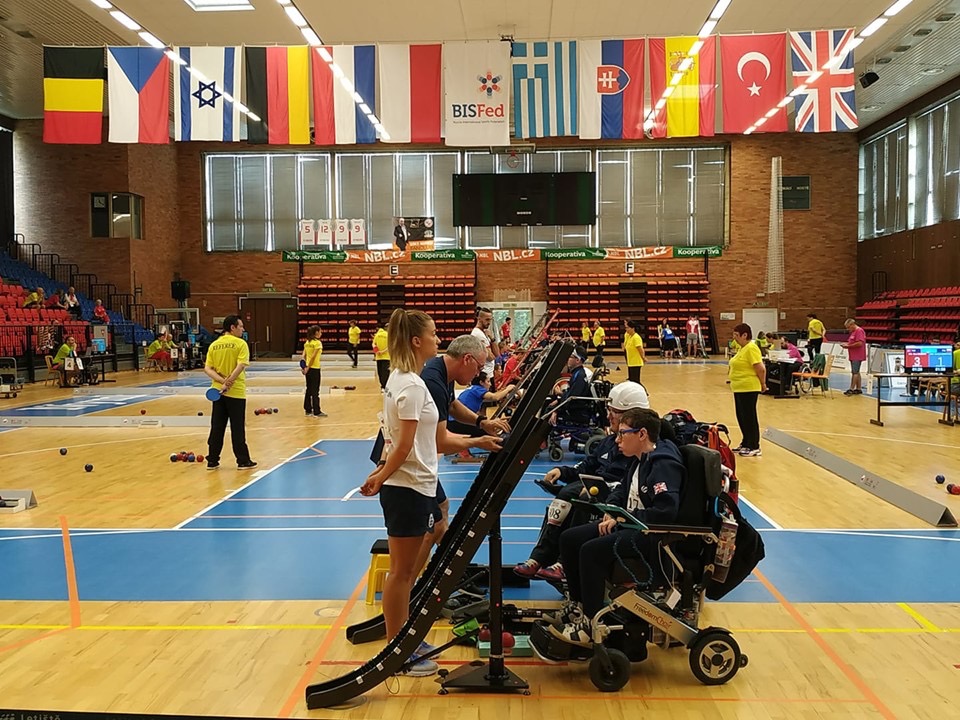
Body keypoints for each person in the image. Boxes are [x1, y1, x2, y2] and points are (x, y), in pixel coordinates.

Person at [359, 312, 500, 678]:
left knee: (406, 569)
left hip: (410, 484)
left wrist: (381, 472)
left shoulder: (403, 379)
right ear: (417, 342)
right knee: (402, 574)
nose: (440, 340)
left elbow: (404, 441)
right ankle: (397, 650)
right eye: (434, 335)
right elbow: (404, 446)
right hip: (406, 487)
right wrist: (381, 476)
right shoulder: (414, 386)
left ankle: (402, 635)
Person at [548, 407, 684, 646]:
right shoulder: (638, 460)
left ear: (642, 434)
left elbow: (666, 512)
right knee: (569, 538)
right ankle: (578, 607)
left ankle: (590, 625)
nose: (617, 439)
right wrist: (612, 511)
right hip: (630, 525)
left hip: (651, 535)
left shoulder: (664, 464)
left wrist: (623, 518)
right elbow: (621, 489)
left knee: (591, 551)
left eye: (623, 434)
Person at [514, 381, 650, 582]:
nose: (609, 415)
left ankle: (564, 564)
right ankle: (538, 558)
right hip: (596, 487)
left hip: (615, 495)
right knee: (565, 495)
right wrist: (561, 471)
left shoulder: (640, 448)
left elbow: (632, 482)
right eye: (609, 409)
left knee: (580, 496)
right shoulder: (608, 441)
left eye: (615, 411)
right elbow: (586, 466)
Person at [419, 334, 507, 571]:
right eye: (478, 367)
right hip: (411, 461)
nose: (478, 374)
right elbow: (440, 443)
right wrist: (479, 441)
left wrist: (481, 422)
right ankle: (417, 583)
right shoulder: (432, 381)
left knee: (443, 507)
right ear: (467, 359)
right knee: (433, 527)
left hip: (420, 457)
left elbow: (452, 405)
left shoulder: (443, 371)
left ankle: (445, 571)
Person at [204, 315, 256, 471]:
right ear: (232, 327)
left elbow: (207, 369)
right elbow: (241, 365)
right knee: (237, 427)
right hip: (236, 392)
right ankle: (242, 461)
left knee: (217, 427)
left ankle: (212, 461)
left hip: (218, 392)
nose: (243, 329)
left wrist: (221, 382)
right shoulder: (241, 344)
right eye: (240, 326)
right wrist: (229, 382)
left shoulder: (214, 345)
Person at [729, 323, 766, 457]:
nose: (734, 338)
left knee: (749, 417)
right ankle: (746, 442)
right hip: (739, 387)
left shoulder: (751, 348)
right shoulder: (742, 348)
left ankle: (754, 445)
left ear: (745, 335)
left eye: (736, 335)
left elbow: (760, 368)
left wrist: (763, 384)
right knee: (741, 416)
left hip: (749, 387)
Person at [550, 345, 590, 426]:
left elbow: (571, 400)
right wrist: (560, 397)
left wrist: (556, 410)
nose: (568, 359)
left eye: (570, 357)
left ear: (578, 360)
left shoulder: (579, 376)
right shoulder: (577, 373)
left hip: (575, 412)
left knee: (548, 410)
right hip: (574, 407)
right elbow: (570, 395)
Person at [301, 325, 326, 417]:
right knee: (315, 390)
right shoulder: (317, 343)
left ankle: (308, 409)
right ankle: (317, 411)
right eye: (320, 332)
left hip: (308, 369)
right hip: (314, 368)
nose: (321, 333)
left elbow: (303, 356)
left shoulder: (307, 342)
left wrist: (304, 367)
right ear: (316, 333)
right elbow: (313, 357)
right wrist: (308, 367)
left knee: (309, 389)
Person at [842, 318, 867, 396]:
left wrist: (848, 346)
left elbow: (860, 343)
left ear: (852, 325)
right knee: (857, 371)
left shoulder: (859, 331)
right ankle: (858, 388)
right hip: (853, 355)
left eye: (848, 327)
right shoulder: (853, 332)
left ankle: (851, 389)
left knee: (854, 372)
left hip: (857, 355)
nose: (848, 329)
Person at [471, 307, 496, 379]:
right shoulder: (478, 334)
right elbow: (491, 357)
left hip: (489, 373)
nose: (489, 322)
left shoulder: (484, 333)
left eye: (490, 320)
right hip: (484, 375)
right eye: (487, 319)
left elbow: (497, 354)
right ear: (479, 319)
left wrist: (492, 338)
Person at [622, 319, 645, 383]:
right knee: (631, 381)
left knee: (636, 381)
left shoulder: (636, 337)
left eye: (628, 328)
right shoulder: (630, 336)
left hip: (636, 362)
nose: (626, 329)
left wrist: (643, 358)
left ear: (633, 328)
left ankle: (644, 392)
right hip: (631, 362)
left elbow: (640, 349)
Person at [372, 324, 390, 392]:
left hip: (378, 357)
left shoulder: (377, 335)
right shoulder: (388, 335)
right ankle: (384, 386)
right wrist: (383, 351)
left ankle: (382, 386)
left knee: (380, 372)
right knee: (385, 372)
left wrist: (377, 351)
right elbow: (390, 345)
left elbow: (373, 344)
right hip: (386, 357)